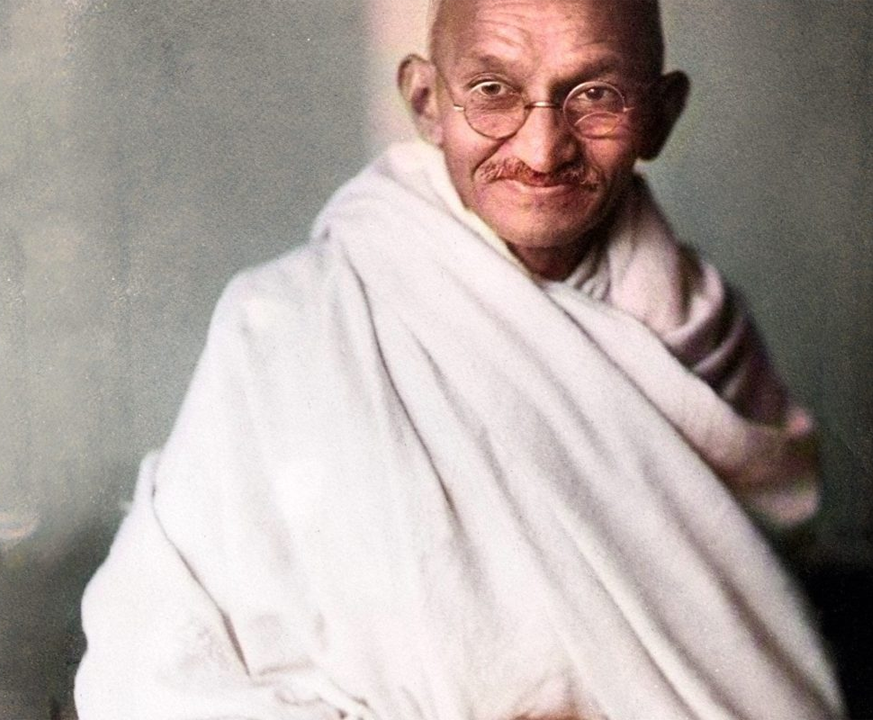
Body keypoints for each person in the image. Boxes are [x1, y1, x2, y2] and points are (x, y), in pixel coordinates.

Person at [74, 0, 844, 717]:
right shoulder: (289, 321)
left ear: (661, 115)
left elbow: (747, 649)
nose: (543, 149)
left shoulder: (703, 333)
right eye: (493, 91)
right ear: (425, 102)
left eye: (595, 96)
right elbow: (153, 647)